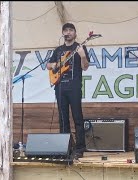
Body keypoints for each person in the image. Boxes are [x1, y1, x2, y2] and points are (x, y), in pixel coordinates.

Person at [47, 23, 90, 159]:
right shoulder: (58, 50)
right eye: (66, 30)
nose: (68, 32)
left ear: (75, 33)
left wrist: (82, 56)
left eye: (71, 30)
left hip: (74, 88)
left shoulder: (80, 47)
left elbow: (85, 67)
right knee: (63, 119)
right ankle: (66, 147)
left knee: (78, 118)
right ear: (63, 33)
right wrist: (54, 65)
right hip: (60, 88)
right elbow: (48, 65)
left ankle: (80, 148)